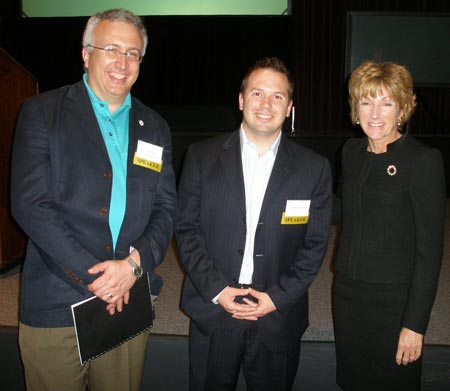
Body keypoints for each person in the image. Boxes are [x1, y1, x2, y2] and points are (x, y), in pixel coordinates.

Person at [10, 8, 177, 391]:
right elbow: (30, 204)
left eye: (133, 53)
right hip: (58, 299)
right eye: (111, 48)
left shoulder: (154, 126)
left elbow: (166, 208)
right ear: (86, 54)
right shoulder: (42, 113)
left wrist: (133, 267)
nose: (122, 62)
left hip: (129, 297)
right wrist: (97, 276)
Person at [175, 57, 333, 391]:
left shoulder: (314, 168)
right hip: (215, 310)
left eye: (277, 96)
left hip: (278, 316)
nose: (266, 104)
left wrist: (276, 297)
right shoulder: (201, 157)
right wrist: (219, 290)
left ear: (289, 107)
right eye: (257, 93)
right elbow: (187, 231)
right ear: (241, 99)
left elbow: (314, 246)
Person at [332, 61, 446, 390]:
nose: (375, 113)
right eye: (366, 102)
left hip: (394, 302)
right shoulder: (351, 152)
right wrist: (297, 197)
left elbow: (430, 252)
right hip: (348, 295)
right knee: (353, 381)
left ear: (402, 109)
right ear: (356, 108)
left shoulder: (422, 160)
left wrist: (415, 324)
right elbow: (341, 210)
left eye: (386, 103)